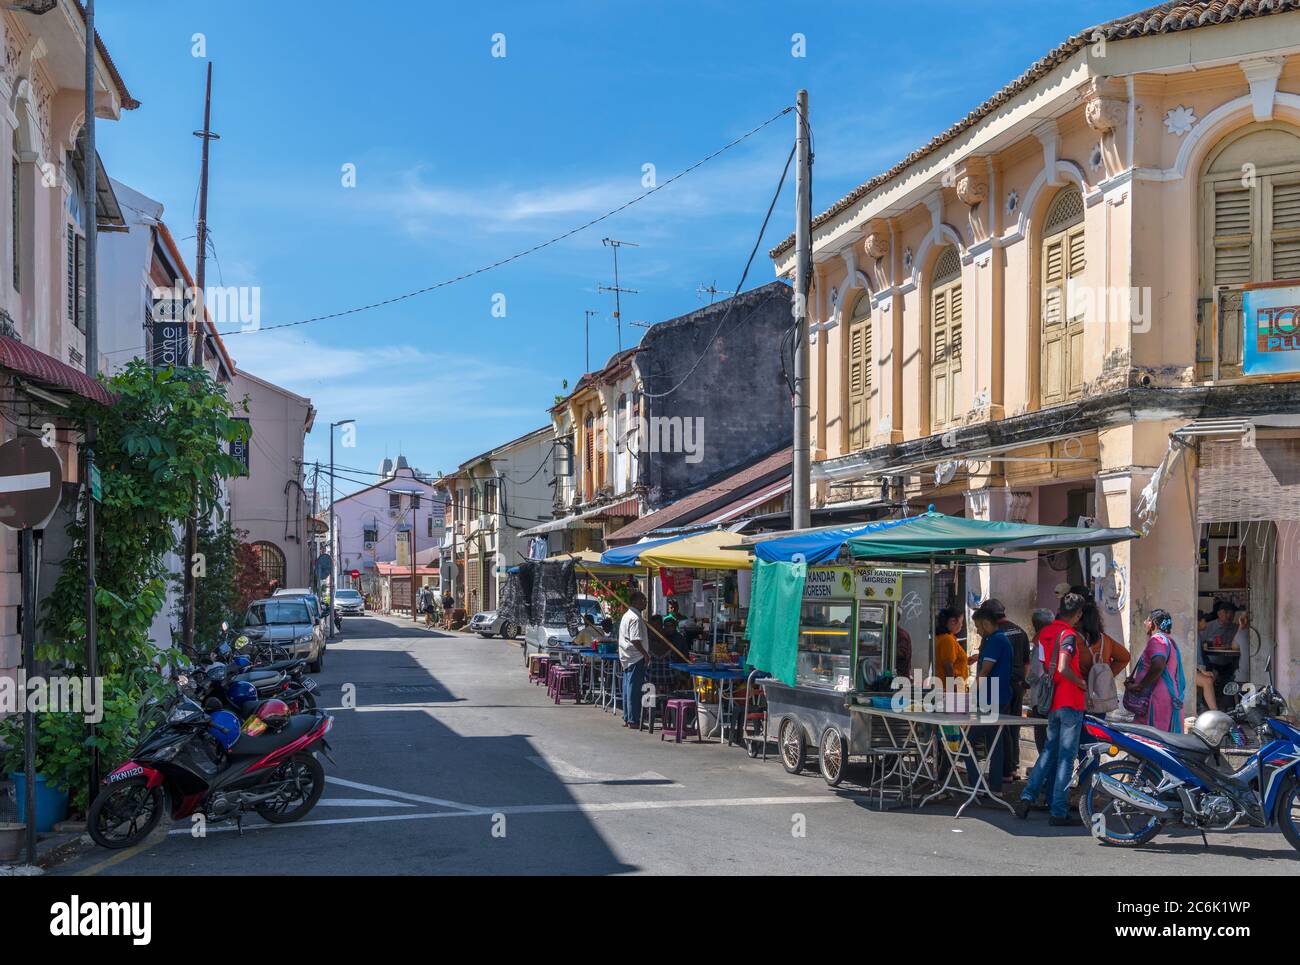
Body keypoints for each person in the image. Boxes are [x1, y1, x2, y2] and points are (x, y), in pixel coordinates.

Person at [1016, 592, 1092, 826]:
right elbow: (1063, 667)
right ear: (1078, 615)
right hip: (1070, 699)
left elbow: (1043, 666)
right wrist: (1081, 683)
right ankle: (1058, 811)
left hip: (1052, 701)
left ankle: (1027, 796)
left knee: (1049, 752)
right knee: (1066, 758)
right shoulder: (1069, 635)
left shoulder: (1044, 634)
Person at [980, 599, 1029, 781]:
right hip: (1017, 684)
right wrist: (1022, 683)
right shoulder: (1021, 631)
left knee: (1000, 728)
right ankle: (1013, 767)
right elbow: (1026, 663)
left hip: (999, 686)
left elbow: (987, 666)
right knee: (1013, 727)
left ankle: (1005, 770)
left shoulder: (993, 634)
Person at [968, 604, 1015, 794]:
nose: (978, 632)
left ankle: (976, 784)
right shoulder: (1001, 640)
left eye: (978, 627)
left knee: (967, 742)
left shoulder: (995, 641)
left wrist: (971, 695)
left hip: (991, 698)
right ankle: (995, 786)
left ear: (986, 623)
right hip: (999, 696)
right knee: (995, 742)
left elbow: (984, 671)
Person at [1125, 608, 1186, 732]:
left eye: (1147, 620)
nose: (1144, 623)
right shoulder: (1170, 641)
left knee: (1153, 737)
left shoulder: (1157, 640)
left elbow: (1158, 665)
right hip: (1169, 695)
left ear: (1153, 624)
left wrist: (1140, 686)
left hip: (1157, 697)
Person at [618, 591, 650, 728]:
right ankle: (633, 719)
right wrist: (646, 654)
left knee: (628, 688)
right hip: (635, 657)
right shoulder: (635, 618)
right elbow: (635, 639)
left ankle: (627, 717)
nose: (645, 602)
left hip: (627, 656)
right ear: (636, 601)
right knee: (634, 690)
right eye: (643, 600)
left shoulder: (627, 616)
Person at [1029, 608, 1055, 754]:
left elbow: (1036, 671)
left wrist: (1026, 681)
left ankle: (1044, 773)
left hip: (1041, 696)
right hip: (1053, 695)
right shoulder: (1058, 638)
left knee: (1042, 736)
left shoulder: (1041, 642)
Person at [933, 608, 972, 690]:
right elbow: (948, 667)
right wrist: (952, 690)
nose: (962, 625)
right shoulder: (947, 640)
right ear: (953, 621)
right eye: (961, 622)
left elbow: (953, 662)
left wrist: (966, 660)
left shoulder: (945, 638)